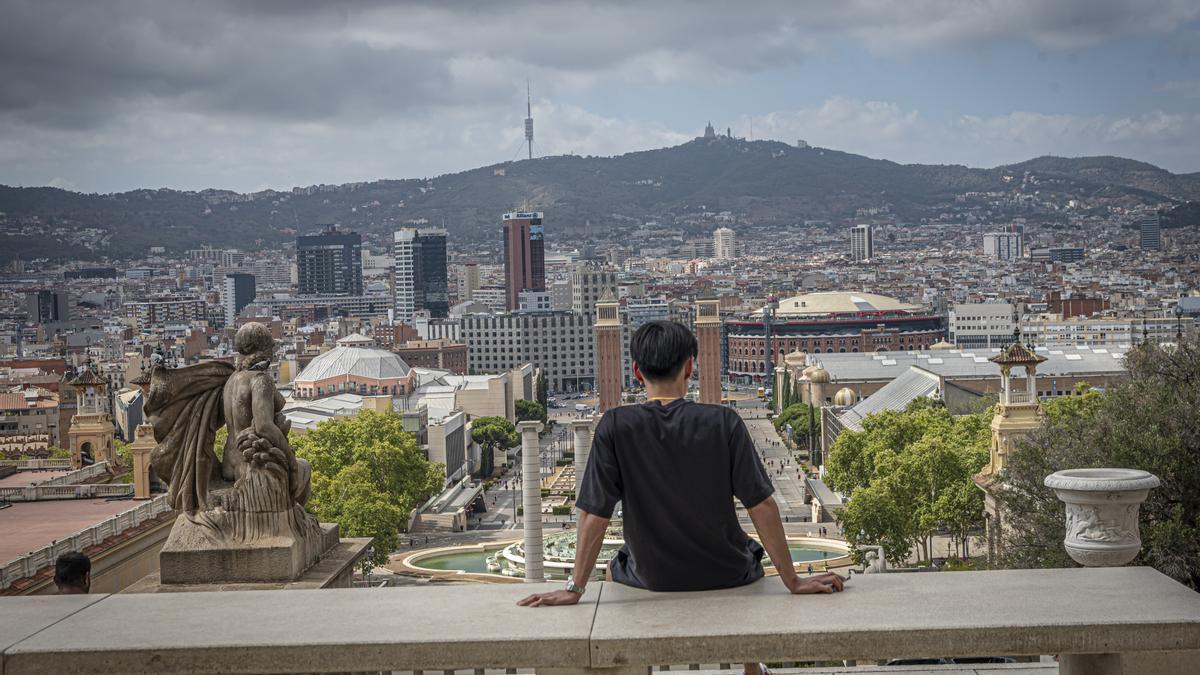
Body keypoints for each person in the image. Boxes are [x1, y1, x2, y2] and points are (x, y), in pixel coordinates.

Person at [518, 321, 844, 675]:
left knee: (615, 567)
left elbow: (593, 516)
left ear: (636, 371)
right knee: (749, 554)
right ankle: (751, 669)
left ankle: (636, 666)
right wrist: (793, 581)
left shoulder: (614, 425)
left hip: (652, 577)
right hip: (729, 572)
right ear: (690, 366)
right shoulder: (724, 421)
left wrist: (574, 588)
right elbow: (762, 505)